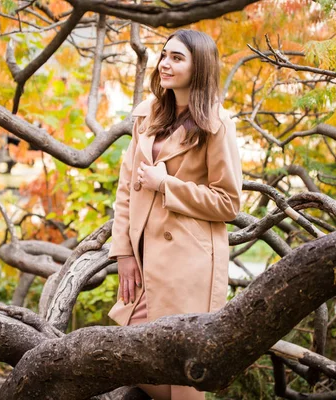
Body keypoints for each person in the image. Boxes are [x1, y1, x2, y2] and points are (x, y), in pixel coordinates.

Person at [108, 29, 242, 400]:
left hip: (188, 265)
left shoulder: (216, 124)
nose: (165, 63)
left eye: (177, 58)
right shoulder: (148, 116)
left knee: (181, 375)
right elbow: (126, 191)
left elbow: (228, 202)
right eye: (164, 55)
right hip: (145, 258)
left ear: (199, 67)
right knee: (136, 358)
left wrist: (166, 184)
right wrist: (123, 253)